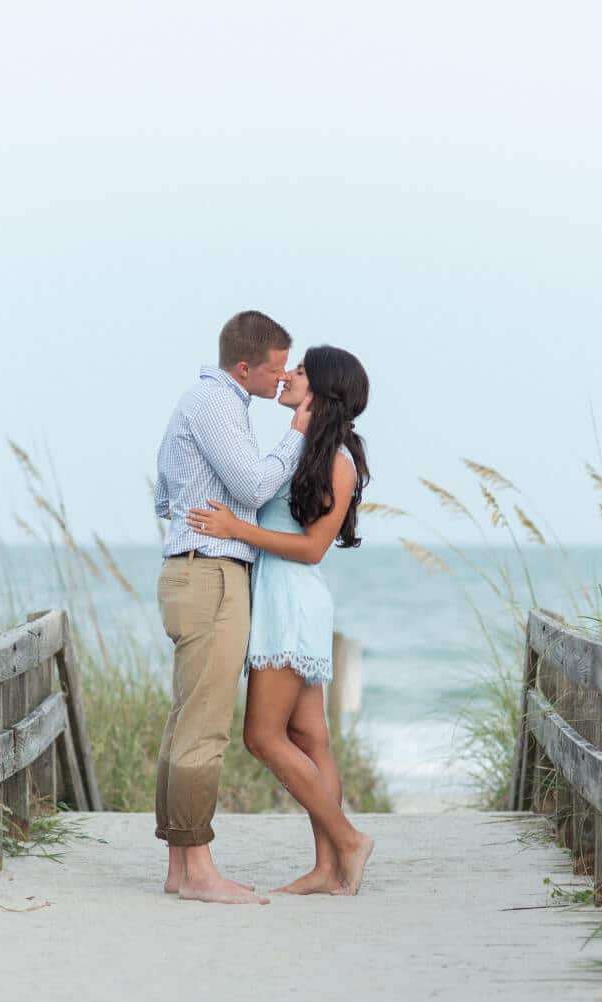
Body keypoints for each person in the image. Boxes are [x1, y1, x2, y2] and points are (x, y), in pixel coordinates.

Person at [186, 344, 375, 895]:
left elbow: (314, 548)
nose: (288, 375)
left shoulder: (337, 461)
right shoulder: (304, 449)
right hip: (281, 600)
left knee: (263, 737)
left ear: (321, 387)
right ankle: (329, 870)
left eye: (299, 370)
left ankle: (348, 841)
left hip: (291, 606)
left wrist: (234, 529)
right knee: (310, 737)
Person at [152, 309, 311, 905]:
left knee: (185, 721)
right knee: (205, 727)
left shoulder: (205, 401)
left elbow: (166, 493)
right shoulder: (217, 403)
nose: (281, 379)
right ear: (243, 366)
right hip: (212, 574)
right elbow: (250, 485)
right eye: (273, 369)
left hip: (193, 569)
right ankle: (198, 871)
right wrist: (299, 428)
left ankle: (180, 864)